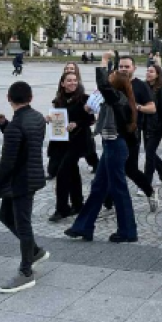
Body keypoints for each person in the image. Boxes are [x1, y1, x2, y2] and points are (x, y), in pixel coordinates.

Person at [0, 82, 49, 294]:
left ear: (8, 98)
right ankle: (34, 251)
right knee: (5, 216)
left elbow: (7, 163)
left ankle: (26, 272)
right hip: (33, 176)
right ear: (31, 97)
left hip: (20, 182)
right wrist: (5, 125)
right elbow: (24, 142)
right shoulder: (37, 117)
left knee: (23, 224)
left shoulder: (16, 126)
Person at [65, 52, 138, 243]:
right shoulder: (115, 99)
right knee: (98, 186)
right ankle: (83, 227)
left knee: (118, 188)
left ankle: (128, 231)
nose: (108, 80)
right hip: (110, 145)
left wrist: (103, 62)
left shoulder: (118, 98)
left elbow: (103, 85)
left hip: (116, 146)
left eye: (111, 78)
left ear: (116, 85)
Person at [46, 72, 95, 222]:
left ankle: (62, 209)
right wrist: (50, 119)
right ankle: (78, 203)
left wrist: (77, 123)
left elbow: (91, 120)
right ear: (62, 83)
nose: (73, 83)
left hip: (79, 140)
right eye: (69, 80)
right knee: (73, 172)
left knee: (62, 173)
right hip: (63, 142)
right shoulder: (58, 100)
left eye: (75, 80)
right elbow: (58, 118)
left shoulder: (85, 99)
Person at [114, 56, 158, 211]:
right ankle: (108, 200)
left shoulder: (140, 86)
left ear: (134, 68)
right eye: (121, 66)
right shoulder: (114, 84)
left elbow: (152, 108)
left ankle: (150, 191)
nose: (123, 69)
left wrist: (137, 107)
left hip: (132, 132)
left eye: (127, 66)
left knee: (129, 168)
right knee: (110, 166)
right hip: (114, 131)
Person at [144, 64, 162, 183]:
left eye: (151, 71)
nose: (148, 73)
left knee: (149, 154)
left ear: (157, 75)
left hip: (157, 127)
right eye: (147, 71)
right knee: (149, 152)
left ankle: (146, 183)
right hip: (145, 125)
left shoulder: (161, 90)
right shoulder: (145, 87)